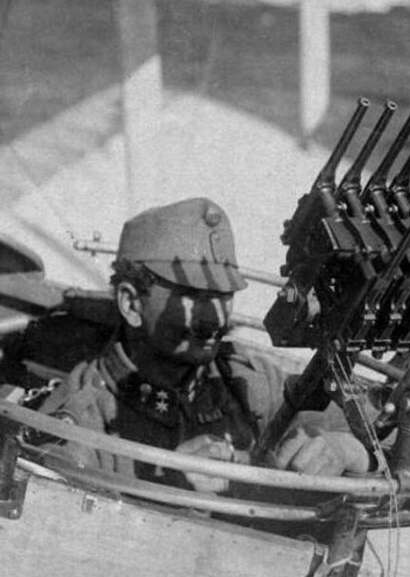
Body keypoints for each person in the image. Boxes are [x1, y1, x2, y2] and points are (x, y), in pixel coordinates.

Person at [40, 197, 370, 493]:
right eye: (192, 296)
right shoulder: (85, 417)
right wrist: (168, 486)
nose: (213, 319)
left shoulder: (247, 379)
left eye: (222, 295)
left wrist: (344, 449)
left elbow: (367, 428)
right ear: (131, 303)